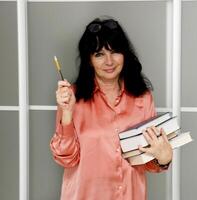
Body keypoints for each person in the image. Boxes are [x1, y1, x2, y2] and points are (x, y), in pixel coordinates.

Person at [50, 17, 173, 200]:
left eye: (115, 52)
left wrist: (163, 159)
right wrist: (67, 112)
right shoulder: (71, 98)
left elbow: (148, 163)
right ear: (89, 60)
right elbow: (66, 158)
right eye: (99, 54)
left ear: (125, 54)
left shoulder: (143, 97)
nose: (109, 61)